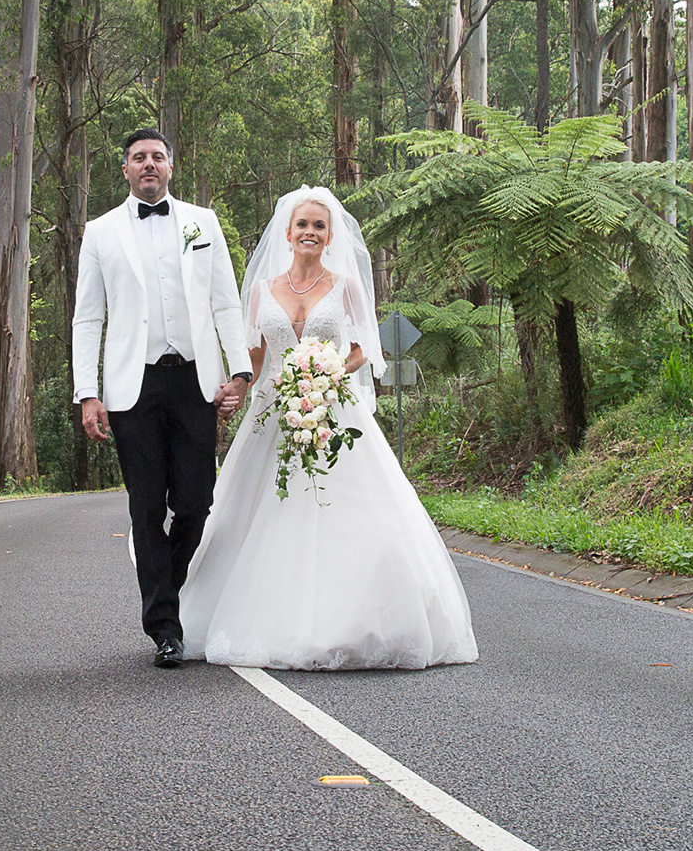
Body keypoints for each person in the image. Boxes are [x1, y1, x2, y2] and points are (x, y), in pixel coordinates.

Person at [179, 186, 478, 671]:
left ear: (331, 235)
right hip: (273, 413)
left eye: (319, 226)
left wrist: (332, 370)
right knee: (259, 514)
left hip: (333, 409)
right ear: (288, 233)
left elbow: (365, 347)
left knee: (350, 514)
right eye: (303, 225)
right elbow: (254, 358)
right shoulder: (262, 290)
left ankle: (353, 621)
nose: (310, 233)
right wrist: (234, 391)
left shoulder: (345, 286)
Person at [72, 129, 253, 667]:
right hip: (134, 387)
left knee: (197, 504)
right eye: (138, 158)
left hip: (197, 380)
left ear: (171, 165)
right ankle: (165, 629)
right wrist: (88, 393)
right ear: (124, 168)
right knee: (147, 507)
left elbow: (225, 302)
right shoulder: (100, 232)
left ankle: (166, 591)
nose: (148, 164)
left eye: (157, 156)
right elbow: (88, 316)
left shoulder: (204, 222)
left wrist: (239, 372)